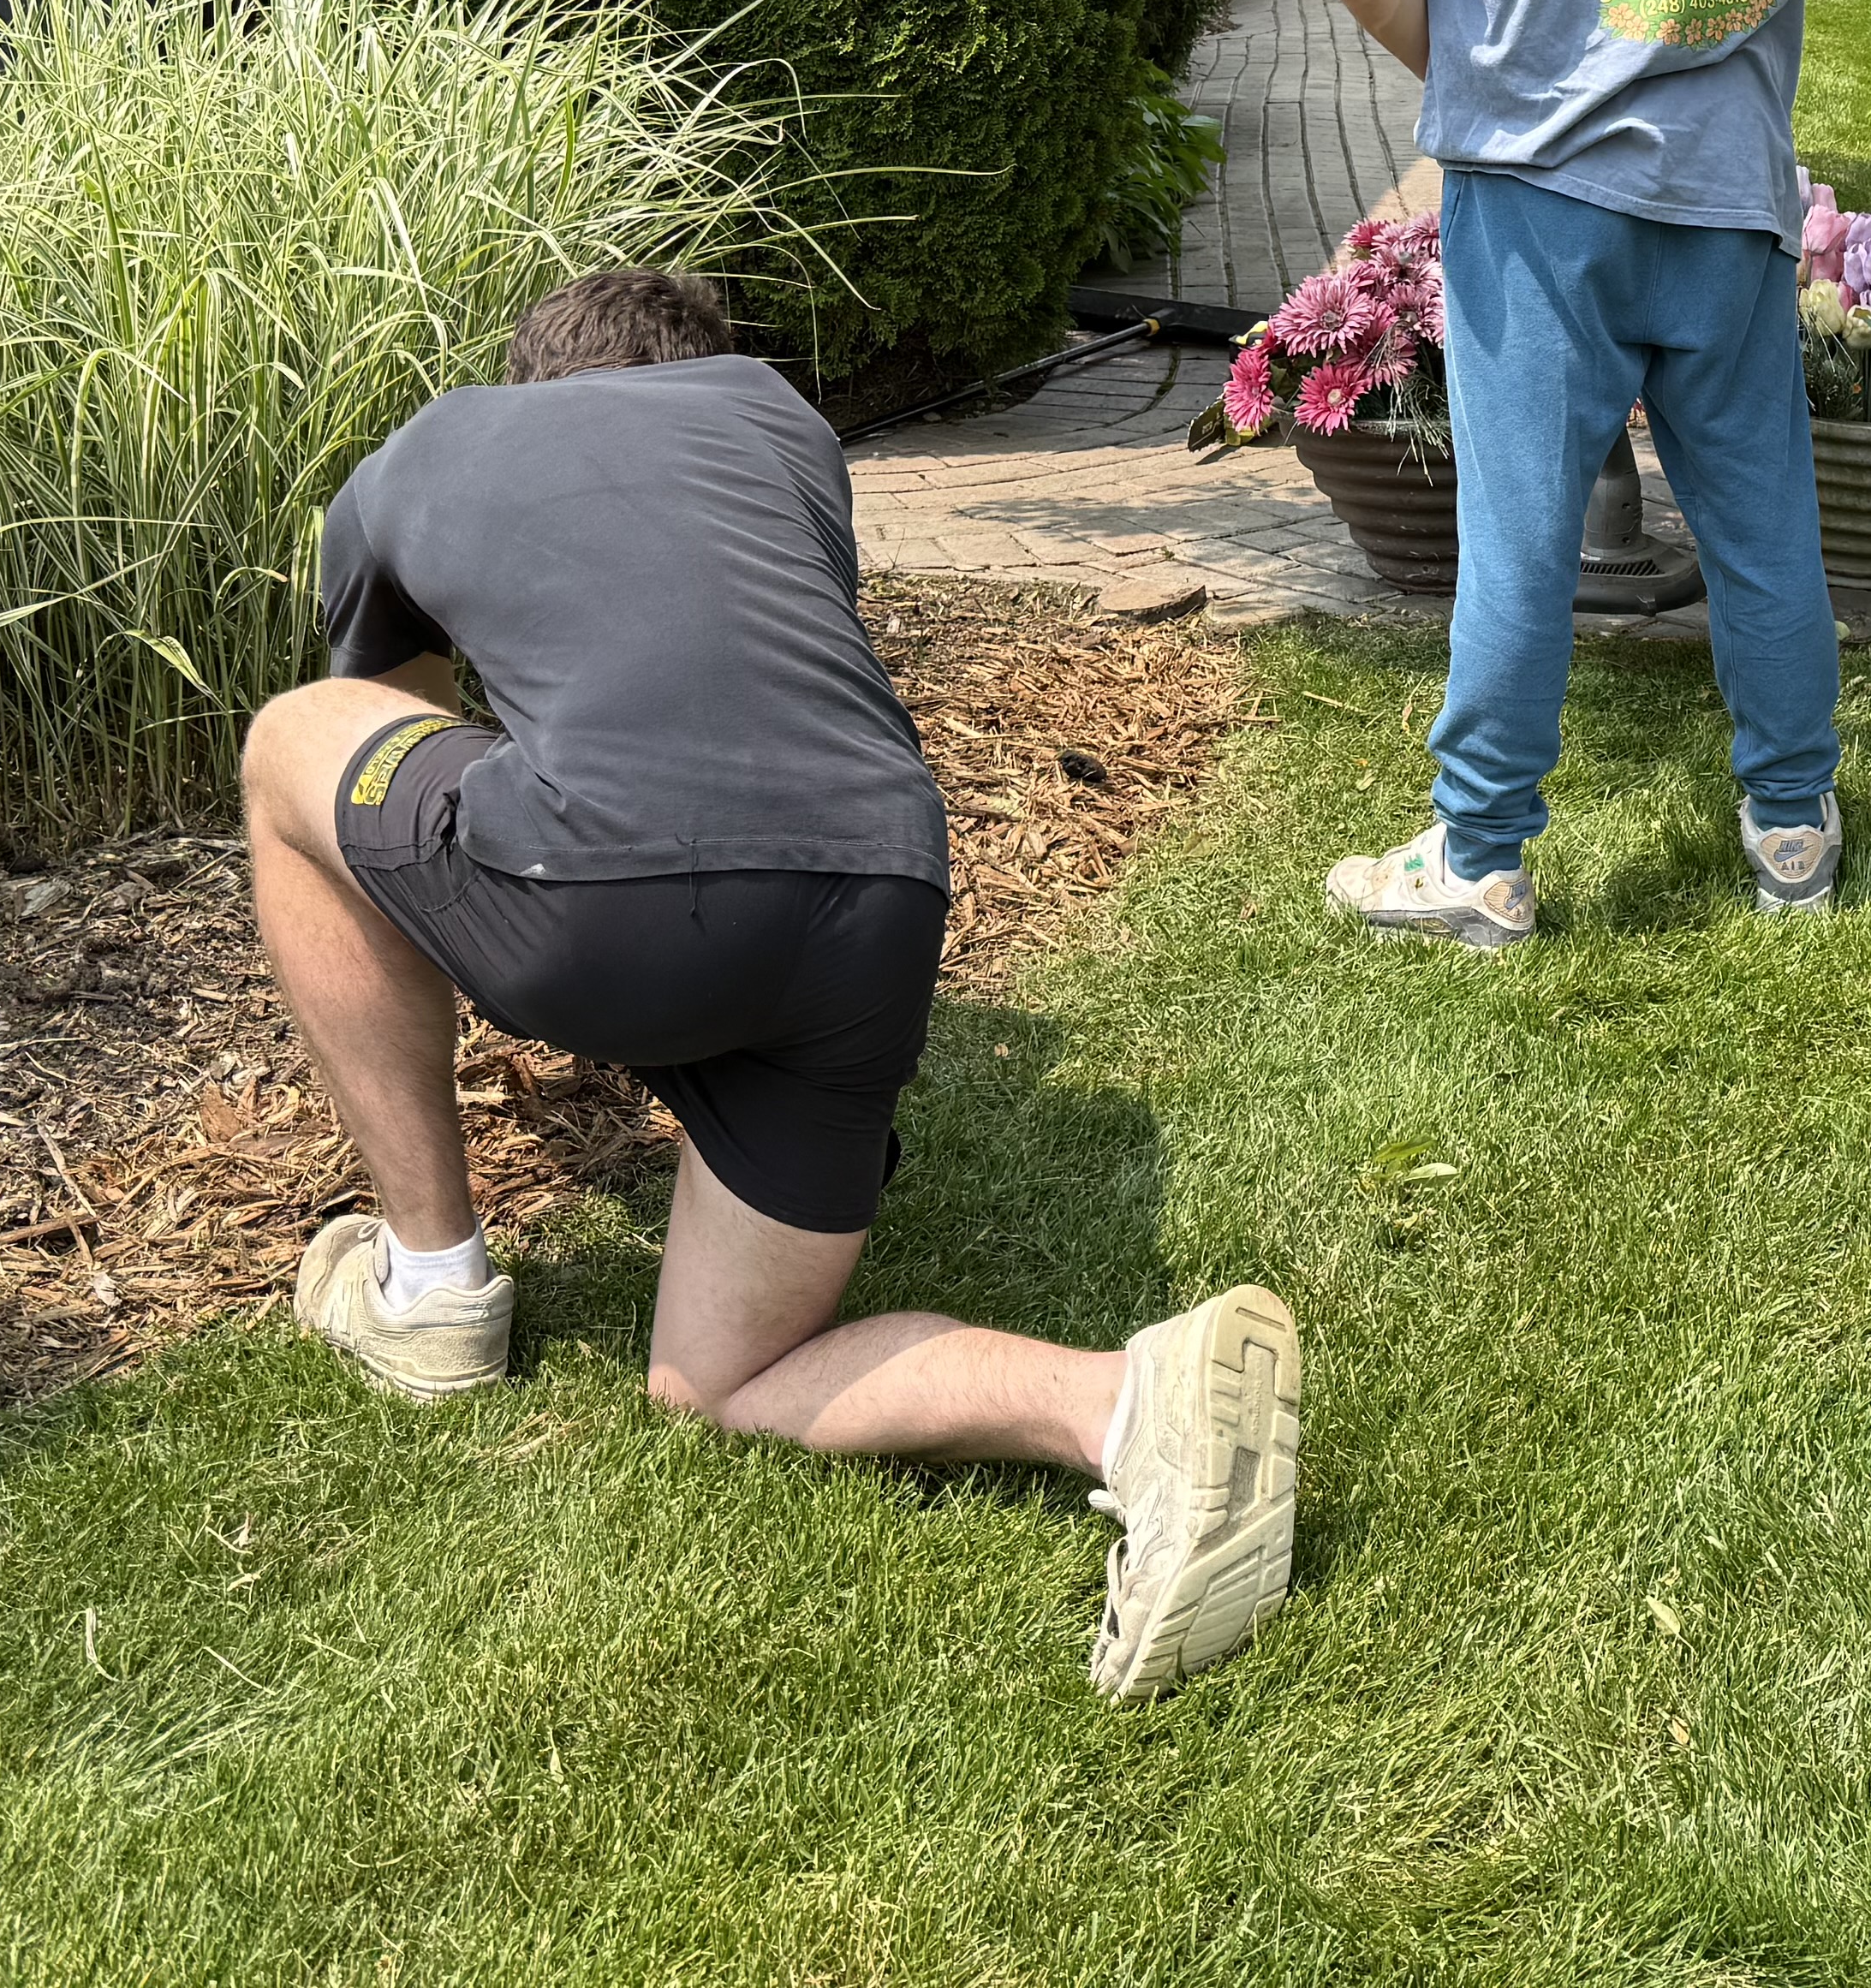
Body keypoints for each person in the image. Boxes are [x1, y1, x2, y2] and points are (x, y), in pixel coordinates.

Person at [238, 265, 1302, 1697]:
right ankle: (1125, 1407)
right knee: (719, 1384)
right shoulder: (780, 425)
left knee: (293, 739)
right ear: (708, 366)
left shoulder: (435, 442)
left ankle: (428, 1290)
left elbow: (401, 712)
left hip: (599, 900)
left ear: (530, 376)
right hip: (877, 901)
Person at [1292, 0, 1843, 951]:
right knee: (1758, 519)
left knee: (1524, 530)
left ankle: (1482, 856)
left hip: (1540, 192)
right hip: (1728, 174)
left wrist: (1466, 70)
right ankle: (1792, 827)